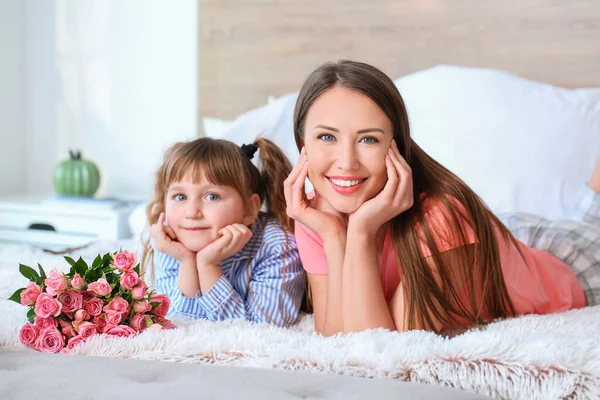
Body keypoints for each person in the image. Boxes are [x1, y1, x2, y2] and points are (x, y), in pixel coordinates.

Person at [284, 59, 600, 336]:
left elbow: (377, 347)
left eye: (368, 139)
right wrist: (335, 236)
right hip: (503, 238)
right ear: (303, 144)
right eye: (327, 136)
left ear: (396, 146)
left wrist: (362, 231)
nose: (347, 162)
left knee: (589, 223)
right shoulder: (318, 215)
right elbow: (336, 335)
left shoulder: (440, 216)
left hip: (573, 264)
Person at [142, 137, 306, 327]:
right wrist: (187, 261)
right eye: (180, 196)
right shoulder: (170, 242)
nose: (192, 212)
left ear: (249, 209)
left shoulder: (276, 246)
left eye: (212, 196)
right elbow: (179, 326)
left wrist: (208, 265)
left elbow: (263, 331)